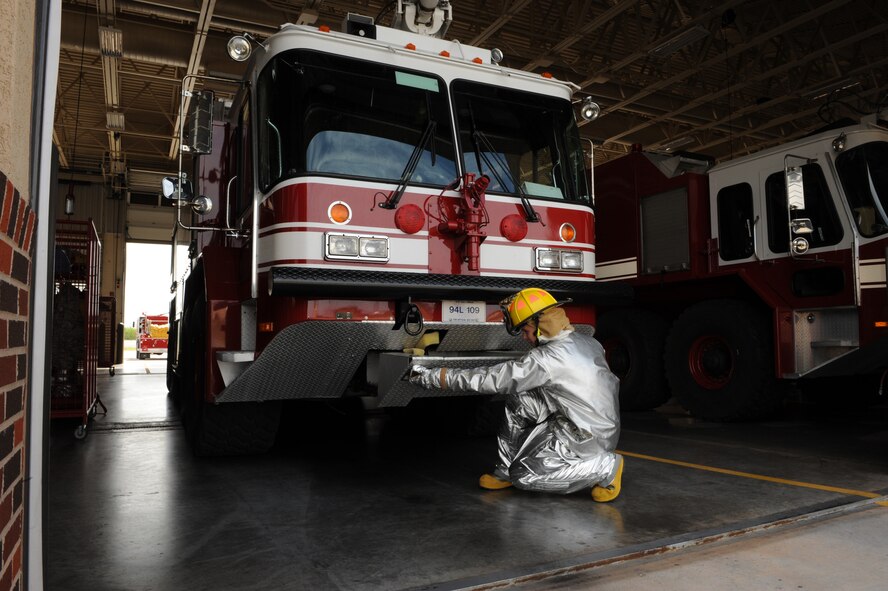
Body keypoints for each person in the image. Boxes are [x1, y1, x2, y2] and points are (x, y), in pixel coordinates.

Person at [409, 287, 623, 501]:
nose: (525, 336)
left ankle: (604, 466)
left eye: (525, 330)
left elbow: (493, 379)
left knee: (524, 477)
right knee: (520, 400)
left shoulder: (547, 359)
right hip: (594, 425)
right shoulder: (588, 342)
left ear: (540, 326)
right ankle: (504, 471)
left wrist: (436, 377)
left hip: (584, 439)